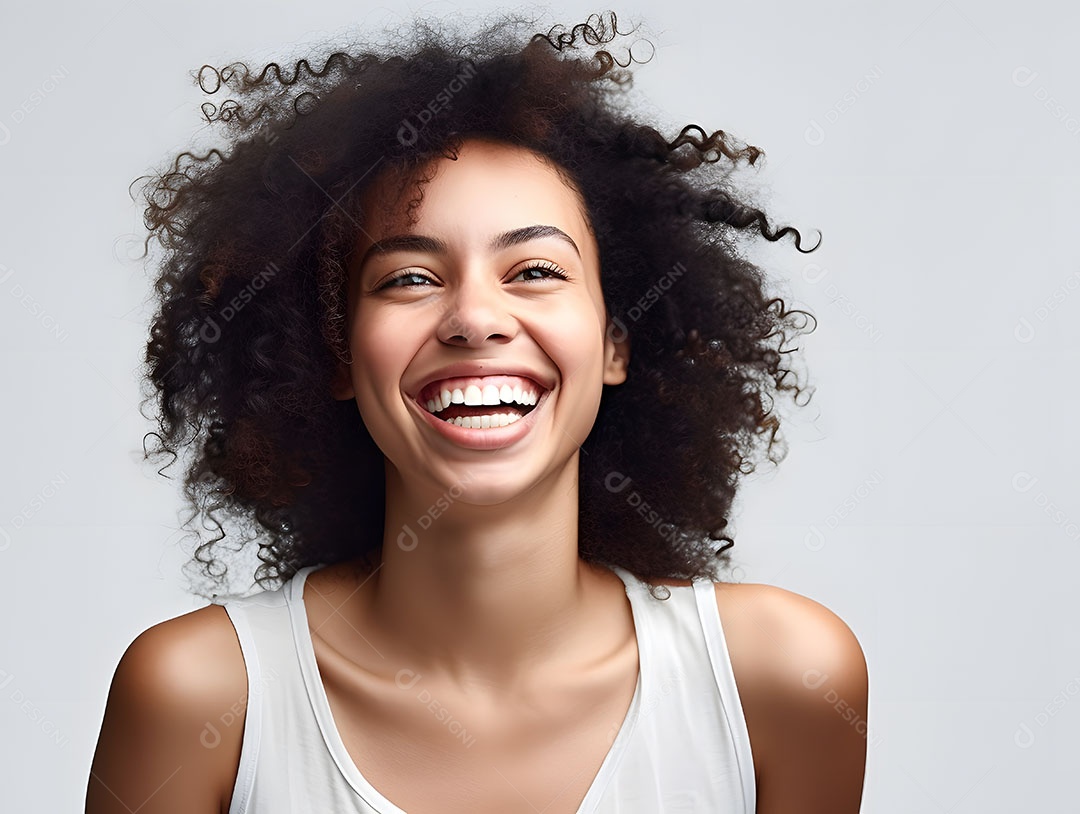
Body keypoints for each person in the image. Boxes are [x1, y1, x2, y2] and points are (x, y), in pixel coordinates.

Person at [86, 11, 868, 813]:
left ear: (614, 345)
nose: (475, 319)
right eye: (409, 279)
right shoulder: (201, 698)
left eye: (533, 269)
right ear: (335, 357)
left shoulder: (779, 681)